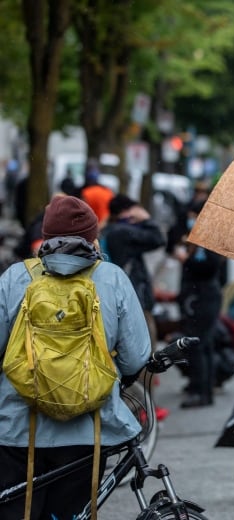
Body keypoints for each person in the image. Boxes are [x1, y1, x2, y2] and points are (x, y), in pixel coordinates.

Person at [0, 195, 151, 519]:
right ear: (93, 237)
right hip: (88, 430)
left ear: (46, 235)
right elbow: (136, 358)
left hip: (17, 429)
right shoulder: (112, 279)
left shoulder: (15, 278)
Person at [174, 199, 226, 408]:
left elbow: (209, 267)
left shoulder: (210, 237)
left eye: (193, 215)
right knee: (201, 343)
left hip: (203, 296)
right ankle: (202, 388)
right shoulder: (199, 237)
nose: (190, 220)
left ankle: (201, 391)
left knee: (198, 344)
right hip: (198, 295)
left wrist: (185, 260)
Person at [102, 194, 167, 344]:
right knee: (144, 348)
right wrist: (146, 219)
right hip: (136, 301)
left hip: (123, 298)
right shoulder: (122, 232)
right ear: (126, 211)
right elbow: (158, 239)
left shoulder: (110, 230)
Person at [79, 158, 114, 225]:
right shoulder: (107, 191)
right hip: (103, 226)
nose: (93, 173)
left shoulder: (84, 192)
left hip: (91, 228)